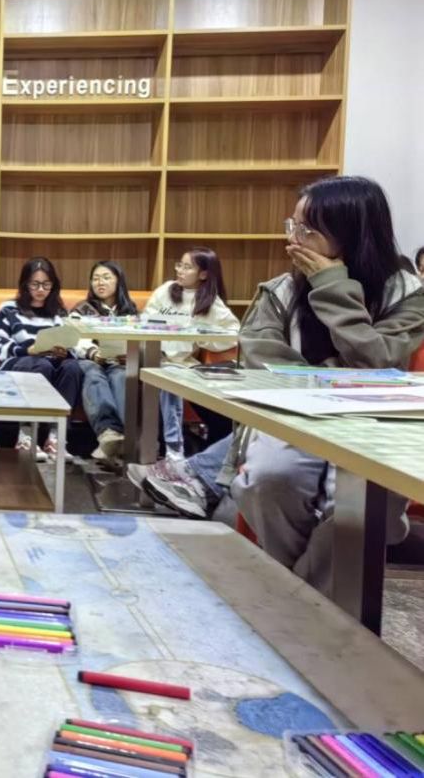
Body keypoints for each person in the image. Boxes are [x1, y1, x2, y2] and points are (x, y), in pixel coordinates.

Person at [129, 176, 424, 592]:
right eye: (293, 226)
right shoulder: (280, 292)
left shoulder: (405, 293)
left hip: (377, 426)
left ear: (352, 233)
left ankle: (293, 597)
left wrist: (333, 287)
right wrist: (340, 372)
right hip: (292, 420)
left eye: (308, 230)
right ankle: (308, 600)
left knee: (358, 506)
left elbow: (378, 358)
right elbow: (263, 363)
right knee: (270, 478)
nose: (293, 240)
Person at [143, 247, 240, 458]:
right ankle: (174, 448)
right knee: (169, 379)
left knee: (177, 380)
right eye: (180, 265)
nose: (180, 270)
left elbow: (234, 333)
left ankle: (181, 449)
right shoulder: (166, 290)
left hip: (181, 364)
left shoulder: (210, 302)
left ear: (203, 274)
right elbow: (146, 320)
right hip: (152, 356)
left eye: (187, 267)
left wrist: (202, 337)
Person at [0, 257, 83, 458]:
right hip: (18, 365)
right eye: (35, 284)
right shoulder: (9, 308)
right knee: (40, 365)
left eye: (46, 284)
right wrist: (27, 350)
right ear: (25, 284)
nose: (41, 289)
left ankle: (56, 437)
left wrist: (65, 352)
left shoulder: (58, 312)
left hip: (51, 362)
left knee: (72, 367)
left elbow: (72, 343)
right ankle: (26, 435)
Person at [70, 261, 141, 461]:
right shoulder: (82, 309)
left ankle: (125, 437)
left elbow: (141, 339)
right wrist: (93, 352)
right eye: (95, 279)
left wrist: (131, 354)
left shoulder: (130, 311)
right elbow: (73, 338)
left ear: (119, 281)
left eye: (106, 278)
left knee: (120, 377)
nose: (100, 283)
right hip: (90, 360)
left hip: (119, 362)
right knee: (93, 374)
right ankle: (108, 432)